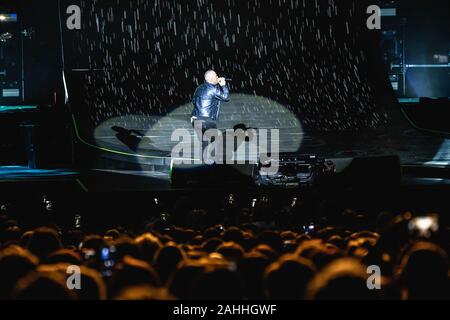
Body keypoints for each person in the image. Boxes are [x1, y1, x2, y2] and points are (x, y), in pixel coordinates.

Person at [191, 70, 230, 156]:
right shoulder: (212, 89)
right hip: (206, 120)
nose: (218, 77)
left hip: (195, 119)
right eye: (216, 76)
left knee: (204, 143)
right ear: (212, 78)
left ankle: (204, 164)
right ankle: (212, 164)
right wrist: (223, 85)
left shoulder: (199, 88)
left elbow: (193, 100)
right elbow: (226, 97)